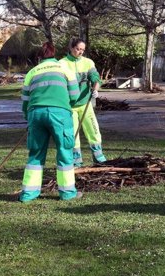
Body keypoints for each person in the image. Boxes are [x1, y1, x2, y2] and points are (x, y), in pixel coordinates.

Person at [19, 42, 81, 202]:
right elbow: (75, 96)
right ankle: (67, 193)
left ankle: (28, 194)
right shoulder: (64, 69)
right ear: (55, 55)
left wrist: (29, 118)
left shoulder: (32, 72)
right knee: (65, 152)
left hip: (35, 114)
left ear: (39, 57)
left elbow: (25, 102)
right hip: (59, 114)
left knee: (36, 153)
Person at [59, 37, 106, 167]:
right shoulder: (62, 63)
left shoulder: (88, 62)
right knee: (73, 133)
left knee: (93, 129)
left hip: (85, 103)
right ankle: (76, 161)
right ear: (71, 48)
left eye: (82, 50)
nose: (80, 52)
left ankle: (98, 157)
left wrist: (96, 89)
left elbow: (95, 78)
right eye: (78, 49)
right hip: (70, 106)